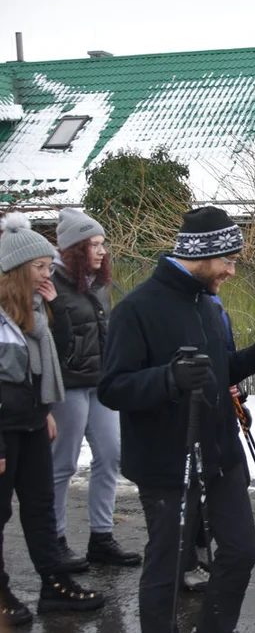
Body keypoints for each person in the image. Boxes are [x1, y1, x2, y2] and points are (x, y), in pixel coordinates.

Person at [98, 206, 255, 633]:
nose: (232, 269)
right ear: (200, 255)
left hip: (220, 453)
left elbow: (216, 371)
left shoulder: (209, 304)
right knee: (167, 562)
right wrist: (167, 379)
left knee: (242, 549)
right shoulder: (137, 308)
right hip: (167, 461)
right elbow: (112, 388)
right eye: (227, 258)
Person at [0, 212, 106, 627]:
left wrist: (42, 412)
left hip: (28, 422)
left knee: (40, 507)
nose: (49, 273)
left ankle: (55, 586)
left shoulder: (32, 315)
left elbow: (53, 362)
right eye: (40, 268)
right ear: (15, 273)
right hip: (4, 431)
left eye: (48, 267)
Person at [47, 208, 141, 570]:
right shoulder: (50, 283)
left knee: (111, 454)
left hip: (100, 383)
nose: (102, 251)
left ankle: (101, 538)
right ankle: (53, 539)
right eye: (94, 245)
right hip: (67, 387)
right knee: (64, 464)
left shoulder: (98, 284)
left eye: (103, 243)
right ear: (73, 248)